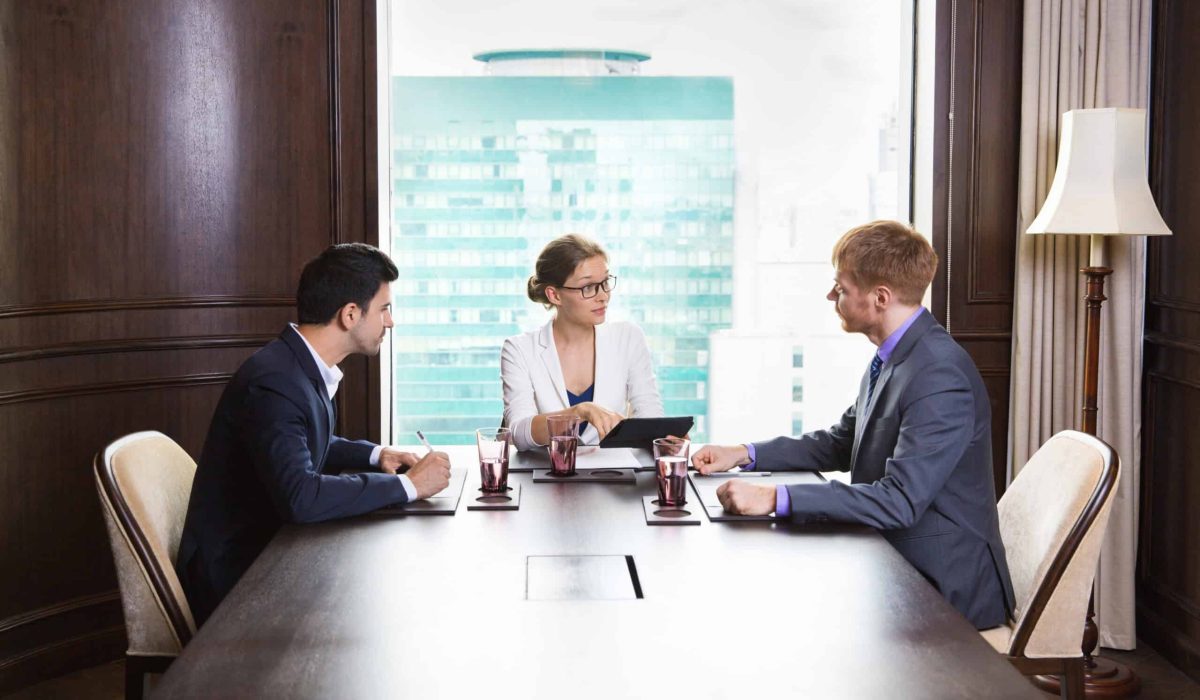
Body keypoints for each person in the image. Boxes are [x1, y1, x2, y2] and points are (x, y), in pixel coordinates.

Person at [692, 220, 1015, 629]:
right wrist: (744, 454)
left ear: (880, 297)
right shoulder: (896, 355)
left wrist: (774, 499)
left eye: (841, 288)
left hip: (943, 585)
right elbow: (842, 442)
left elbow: (898, 500)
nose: (831, 295)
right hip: (892, 557)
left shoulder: (938, 374)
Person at [176, 243, 451, 625]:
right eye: (385, 309)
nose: (390, 322)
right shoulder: (275, 382)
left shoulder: (296, 365)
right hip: (238, 577)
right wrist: (410, 488)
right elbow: (301, 497)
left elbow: (301, 444)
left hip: (274, 550)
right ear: (350, 314)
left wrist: (376, 456)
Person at [501, 234, 663, 451]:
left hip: (614, 476)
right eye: (588, 287)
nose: (603, 295)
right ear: (554, 295)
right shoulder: (519, 349)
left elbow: (649, 414)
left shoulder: (628, 337)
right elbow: (518, 432)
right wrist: (578, 413)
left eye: (605, 282)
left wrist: (664, 438)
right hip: (546, 477)